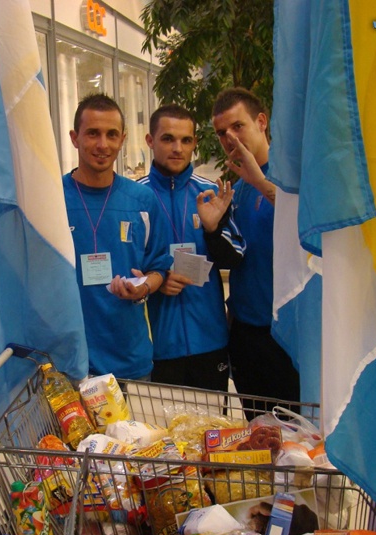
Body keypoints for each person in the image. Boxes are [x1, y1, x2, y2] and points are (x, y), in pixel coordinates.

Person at [206, 87, 300, 415]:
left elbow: (306, 226)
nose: (229, 137)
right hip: (247, 334)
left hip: (289, 335)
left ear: (262, 122)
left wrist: (262, 182)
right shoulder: (237, 191)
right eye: (221, 132)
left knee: (297, 442)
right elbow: (236, 257)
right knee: (258, 436)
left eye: (237, 126)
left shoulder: (294, 177)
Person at [63, 94, 170, 380]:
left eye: (112, 135)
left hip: (128, 360)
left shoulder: (142, 200)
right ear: (75, 138)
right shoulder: (52, 200)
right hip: (69, 363)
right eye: (92, 134)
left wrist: (145, 286)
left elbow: (160, 266)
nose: (103, 144)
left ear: (122, 139)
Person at [137, 104, 241, 390]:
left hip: (209, 339)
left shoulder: (211, 194)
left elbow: (233, 260)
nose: (177, 148)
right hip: (159, 344)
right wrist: (157, 280)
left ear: (195, 143)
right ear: (150, 141)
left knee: (212, 432)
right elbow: (126, 267)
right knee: (165, 433)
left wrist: (212, 230)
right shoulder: (134, 197)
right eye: (168, 139)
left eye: (186, 140)